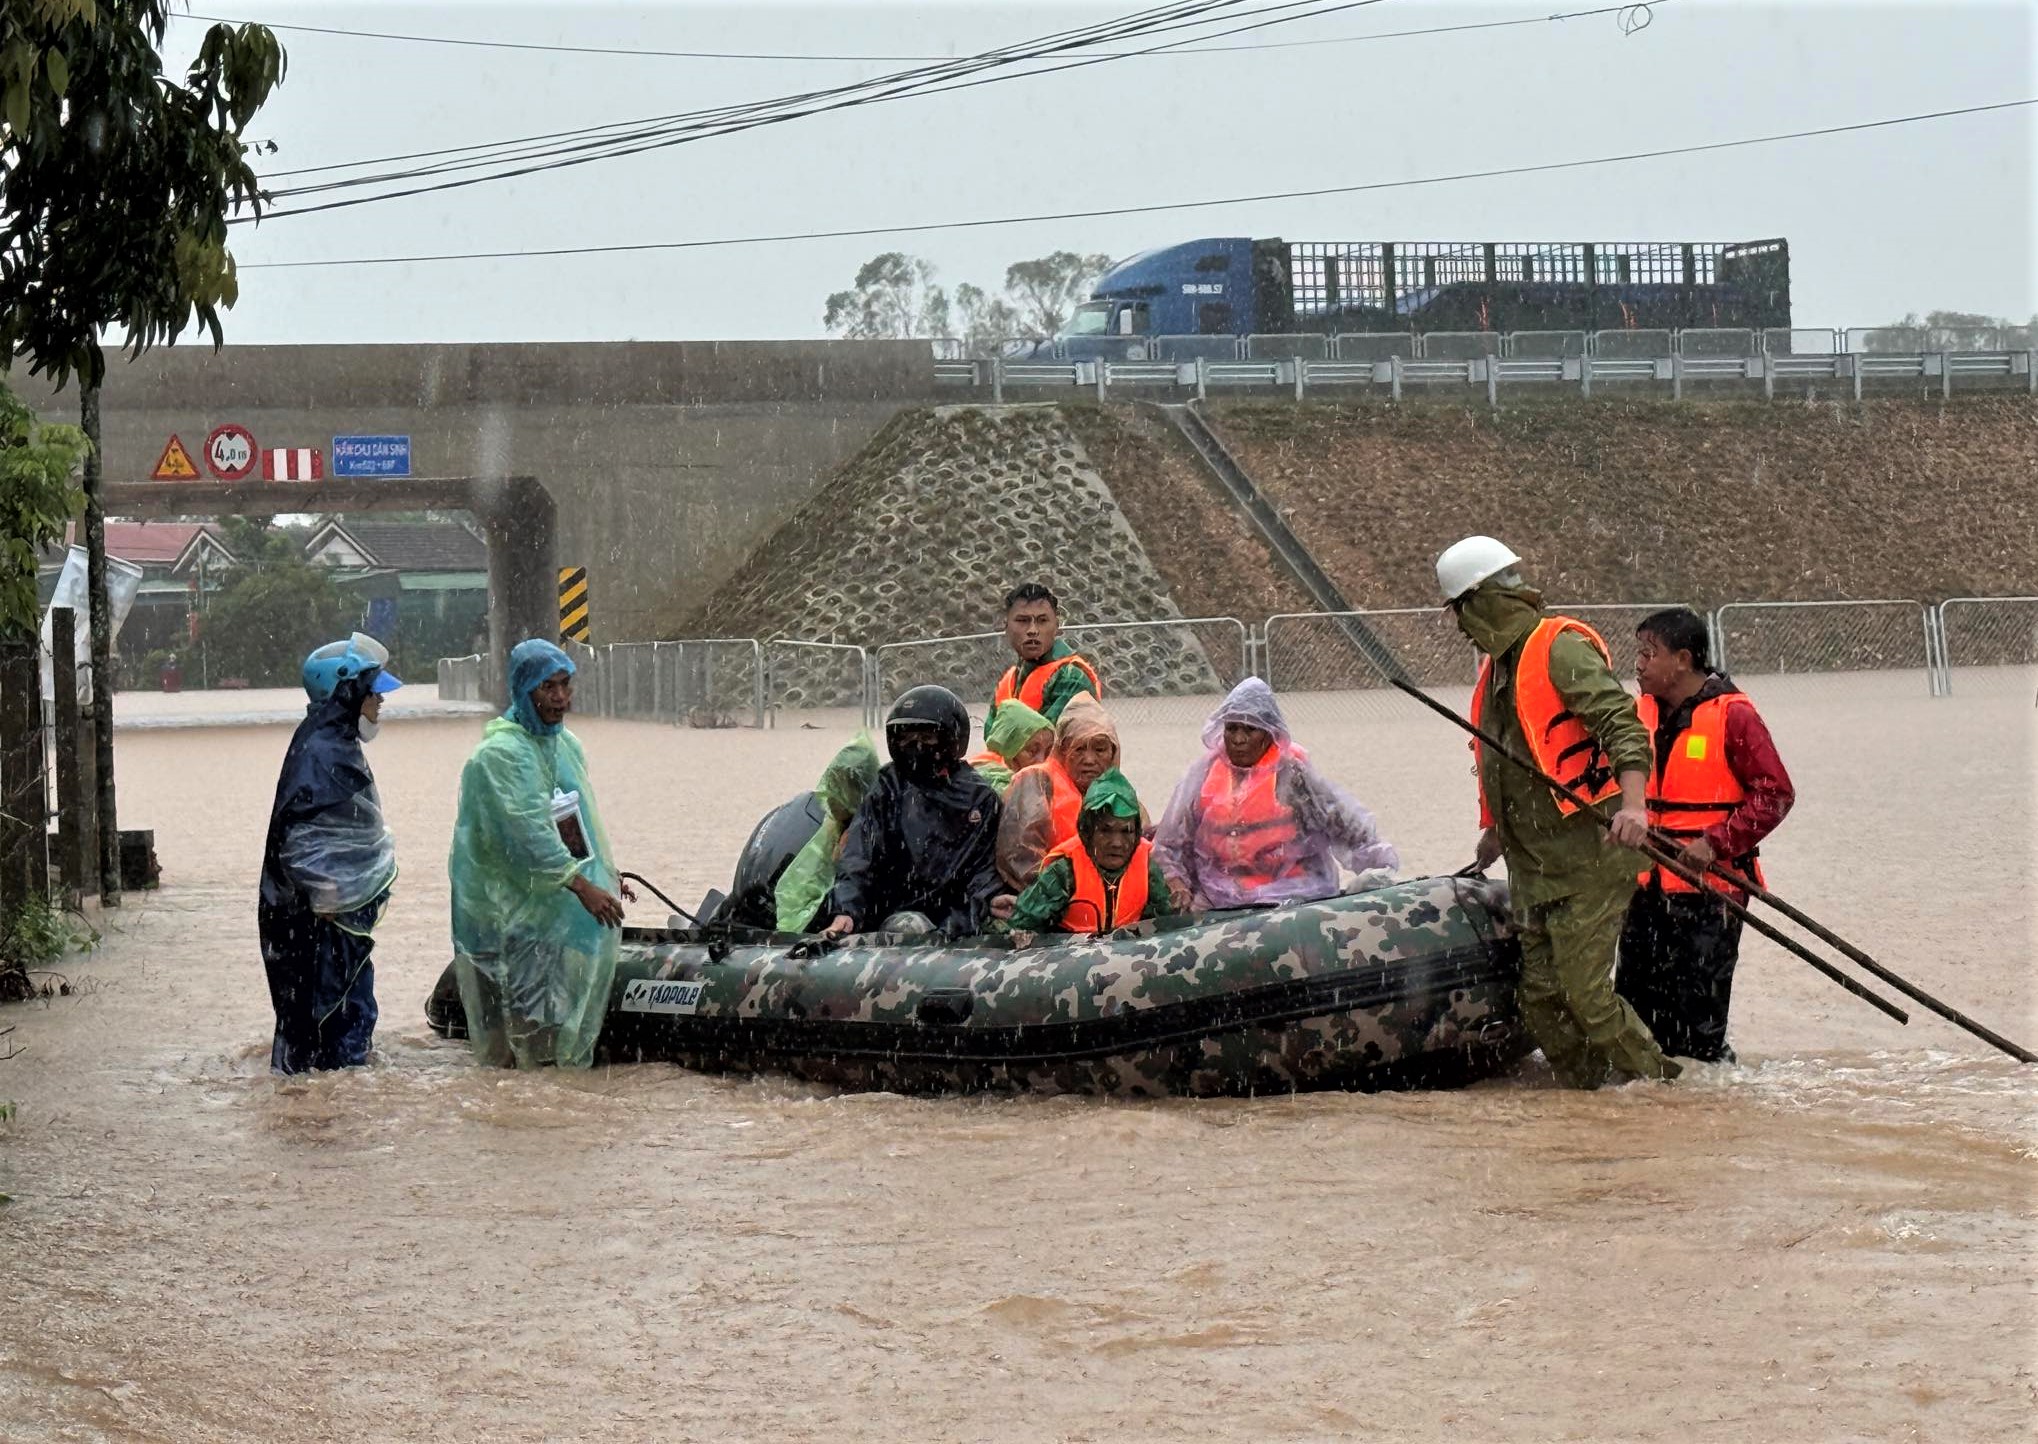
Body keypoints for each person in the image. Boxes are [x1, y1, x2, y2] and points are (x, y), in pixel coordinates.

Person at [1438, 535, 1679, 1089]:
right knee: (1542, 999)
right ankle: (1586, 1094)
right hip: (1533, 865)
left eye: (1462, 611)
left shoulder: (1558, 649)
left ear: (1487, 600)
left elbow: (1622, 725)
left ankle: (1661, 1090)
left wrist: (1635, 806)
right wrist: (1495, 832)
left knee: (1585, 993)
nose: (1460, 627)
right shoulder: (1496, 672)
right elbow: (1510, 759)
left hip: (1590, 857)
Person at [1620, 607, 1795, 1064]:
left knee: (1698, 1017)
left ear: (1682, 659)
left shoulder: (1734, 716)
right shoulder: (1636, 713)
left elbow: (1776, 794)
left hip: (1711, 893)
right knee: (1635, 1007)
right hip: (1646, 886)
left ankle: (1709, 1092)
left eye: (1648, 653)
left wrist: (1715, 843)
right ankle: (1648, 1094)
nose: (1638, 664)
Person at [450, 639, 631, 1069]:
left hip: (557, 906)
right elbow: (527, 835)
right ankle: (521, 1088)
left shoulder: (564, 744)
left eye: (565, 684)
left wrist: (604, 873)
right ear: (523, 690)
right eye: (547, 687)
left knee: (555, 1009)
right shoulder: (501, 755)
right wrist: (582, 886)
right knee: (520, 1016)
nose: (560, 697)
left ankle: (552, 1091)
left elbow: (578, 818)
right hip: (510, 910)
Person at [258, 633, 402, 1074]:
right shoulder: (323, 752)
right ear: (347, 692)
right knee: (331, 1021)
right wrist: (330, 895)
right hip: (323, 919)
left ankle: (334, 1098)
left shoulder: (332, 743)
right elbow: (303, 841)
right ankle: (328, 1096)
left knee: (342, 1012)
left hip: (336, 917)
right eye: (372, 690)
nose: (380, 700)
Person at [1153, 678, 1399, 909]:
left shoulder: (1293, 776)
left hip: (1294, 895)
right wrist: (1177, 883)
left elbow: (1350, 829)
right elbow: (1169, 843)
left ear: (1268, 733)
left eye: (1250, 729)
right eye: (1232, 728)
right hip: (1218, 900)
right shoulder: (1203, 774)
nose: (1238, 739)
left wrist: (1380, 871)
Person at [820, 685, 1005, 939]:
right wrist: (846, 910)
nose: (916, 745)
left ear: (952, 738)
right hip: (887, 910)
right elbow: (859, 855)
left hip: (951, 915)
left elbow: (983, 872)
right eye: (906, 738)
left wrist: (974, 910)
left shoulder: (978, 797)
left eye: (927, 737)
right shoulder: (888, 786)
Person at [1004, 769, 1175, 936]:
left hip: (1127, 950)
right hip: (1073, 950)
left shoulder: (1148, 868)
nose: (1117, 843)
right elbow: (1024, 925)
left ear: (1136, 835)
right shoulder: (1064, 871)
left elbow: (1164, 924)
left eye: (1126, 831)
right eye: (1105, 831)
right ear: (1087, 832)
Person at [996, 692, 1126, 890]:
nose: (1089, 760)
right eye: (1079, 749)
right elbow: (1021, 859)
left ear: (1113, 753)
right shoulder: (1037, 782)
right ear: (1062, 750)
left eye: (1100, 749)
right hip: (1049, 899)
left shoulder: (1122, 797)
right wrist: (1066, 892)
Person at [773, 733, 882, 933]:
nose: (830, 799)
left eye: (838, 790)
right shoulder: (837, 827)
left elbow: (855, 880)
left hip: (850, 913)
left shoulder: (869, 831)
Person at [988, 582, 1100, 730]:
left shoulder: (1071, 679)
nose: (1032, 630)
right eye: (1022, 621)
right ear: (1006, 626)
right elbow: (990, 733)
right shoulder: (1010, 680)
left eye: (1042, 621)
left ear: (1057, 626)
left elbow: (1045, 738)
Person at [968, 699, 1053, 797]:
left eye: (1048, 752)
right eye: (1032, 751)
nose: (1042, 761)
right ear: (1009, 747)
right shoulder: (995, 785)